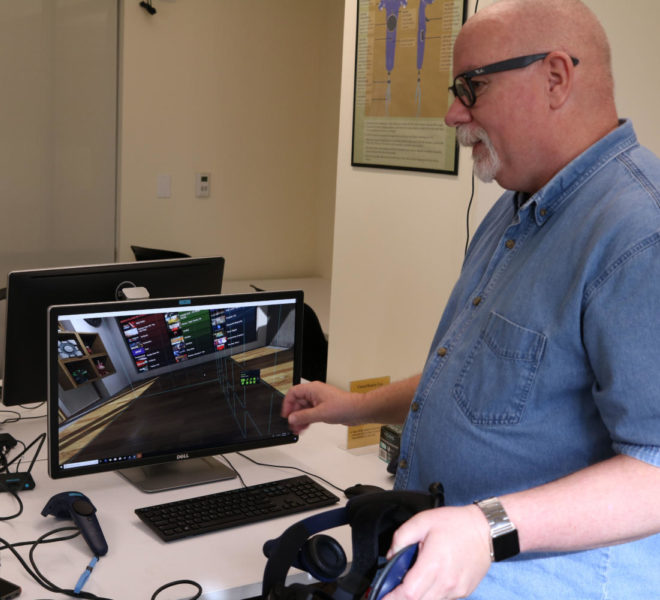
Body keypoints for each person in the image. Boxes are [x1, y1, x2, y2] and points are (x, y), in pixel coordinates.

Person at [282, 1, 660, 598]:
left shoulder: (639, 233)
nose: (452, 113)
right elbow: (482, 382)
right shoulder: (517, 211)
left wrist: (487, 529)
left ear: (556, 77)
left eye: (471, 88)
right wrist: (351, 407)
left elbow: (656, 469)